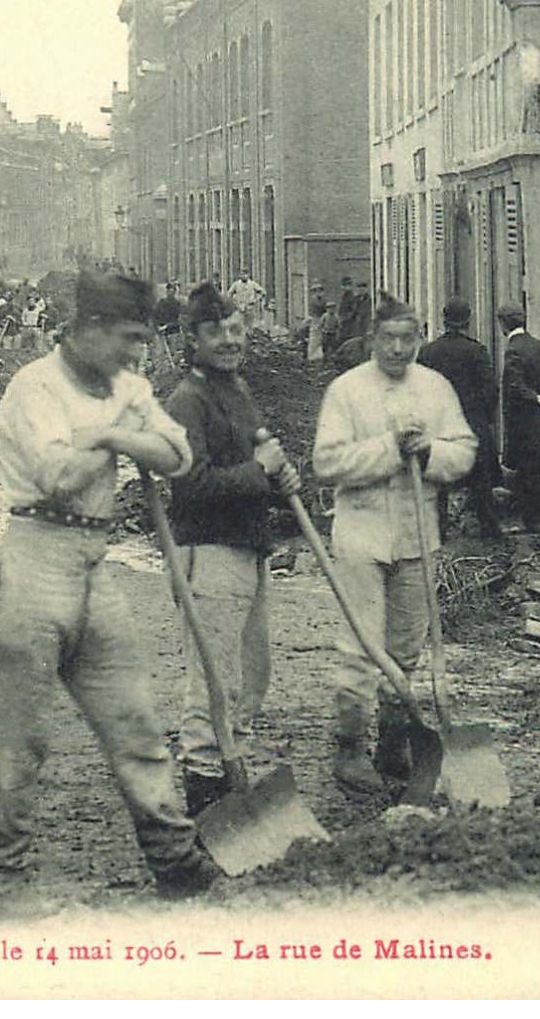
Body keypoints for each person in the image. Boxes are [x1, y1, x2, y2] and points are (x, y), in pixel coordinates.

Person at [0, 270, 219, 916]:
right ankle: (5, 883)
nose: (137, 353)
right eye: (126, 337)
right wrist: (122, 431)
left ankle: (174, 856)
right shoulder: (35, 387)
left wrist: (110, 435)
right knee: (22, 741)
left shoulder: (127, 386)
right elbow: (56, 474)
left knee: (135, 719)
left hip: (93, 561)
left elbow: (178, 455)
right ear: (86, 330)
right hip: (33, 559)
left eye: (142, 338)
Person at [312, 297, 477, 792]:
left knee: (406, 645)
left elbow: (465, 451)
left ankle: (393, 740)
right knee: (362, 646)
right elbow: (328, 462)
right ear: (372, 341)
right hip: (361, 532)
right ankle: (349, 747)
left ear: (419, 339)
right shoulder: (347, 391)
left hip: (417, 532)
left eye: (408, 339)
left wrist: (429, 453)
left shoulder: (436, 389)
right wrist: (388, 449)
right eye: (389, 339)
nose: (399, 349)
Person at [163, 283, 302, 815]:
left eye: (237, 330)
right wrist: (258, 471)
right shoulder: (186, 402)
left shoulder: (236, 391)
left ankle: (232, 765)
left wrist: (279, 478)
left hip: (248, 547)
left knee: (251, 674)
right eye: (215, 331)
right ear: (192, 339)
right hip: (209, 551)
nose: (229, 340)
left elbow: (258, 460)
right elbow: (191, 485)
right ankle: (203, 787)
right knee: (213, 679)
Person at [419, 298, 502, 539]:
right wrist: (484, 419)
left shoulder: (428, 353)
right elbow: (490, 390)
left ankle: (438, 531)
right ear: (468, 320)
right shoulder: (476, 351)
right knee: (480, 480)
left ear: (444, 320)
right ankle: (489, 530)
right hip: (471, 424)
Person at [496, 304, 540, 532]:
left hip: (522, 420)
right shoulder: (538, 346)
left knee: (525, 471)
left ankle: (532, 523)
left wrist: (534, 398)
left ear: (503, 324)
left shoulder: (513, 349)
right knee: (538, 469)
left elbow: (515, 386)